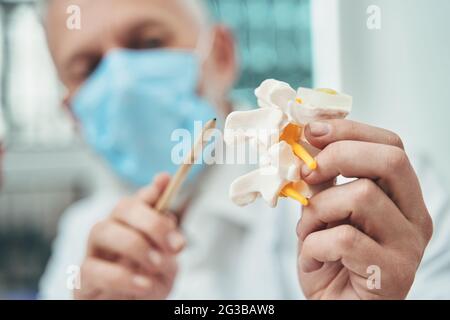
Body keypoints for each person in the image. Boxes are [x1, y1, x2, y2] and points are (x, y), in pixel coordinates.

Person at [38, 0, 450, 299]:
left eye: (148, 42)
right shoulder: (83, 242)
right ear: (72, 113)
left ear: (221, 54)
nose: (124, 83)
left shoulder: (375, 198)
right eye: (89, 67)